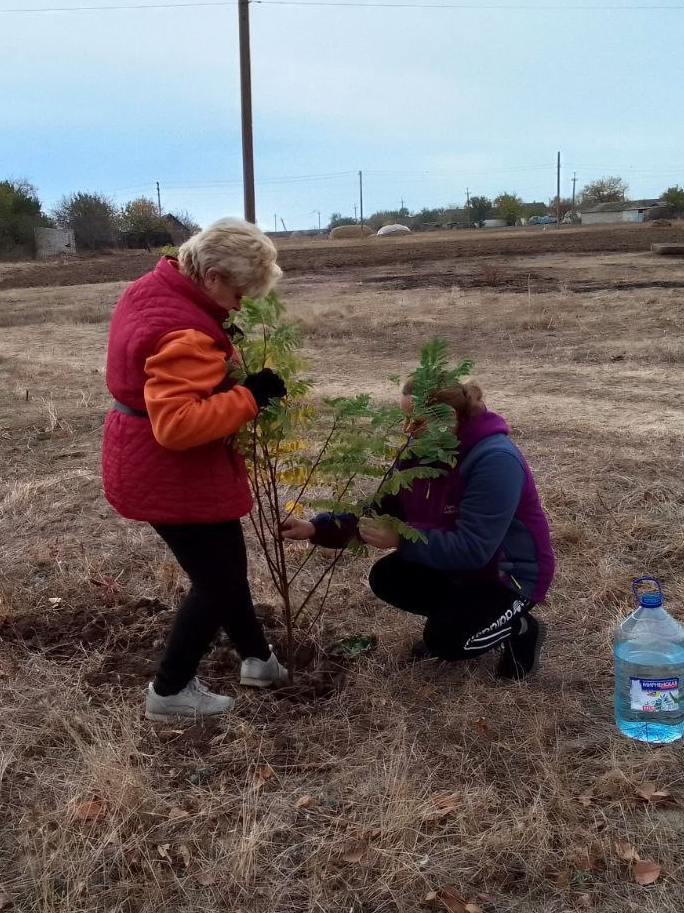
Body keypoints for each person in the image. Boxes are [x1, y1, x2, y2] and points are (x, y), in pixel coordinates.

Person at [102, 217, 290, 722]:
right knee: (218, 581)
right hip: (174, 470)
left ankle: (258, 661)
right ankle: (171, 691)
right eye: (239, 291)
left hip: (149, 460)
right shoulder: (186, 331)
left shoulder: (155, 287)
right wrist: (250, 397)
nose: (242, 303)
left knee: (225, 570)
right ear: (210, 275)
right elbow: (178, 425)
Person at [281, 378, 556, 678]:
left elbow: (474, 549)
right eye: (405, 419)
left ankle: (518, 627)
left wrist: (402, 539)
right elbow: (379, 511)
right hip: (461, 570)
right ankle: (462, 619)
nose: (407, 430)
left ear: (448, 418)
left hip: (509, 577)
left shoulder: (494, 460)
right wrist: (315, 529)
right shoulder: (417, 453)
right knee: (388, 577)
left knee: (446, 641)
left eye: (417, 421)